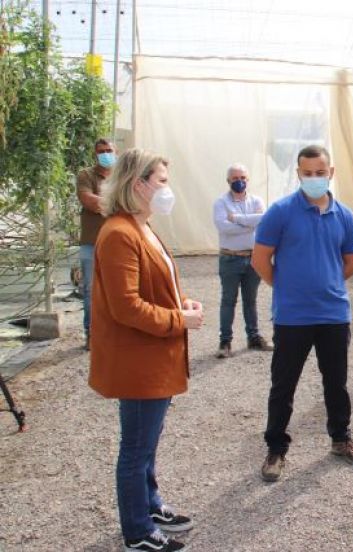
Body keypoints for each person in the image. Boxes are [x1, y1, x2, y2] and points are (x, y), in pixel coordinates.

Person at [89, 148, 204, 552]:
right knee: (136, 448)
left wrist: (183, 302)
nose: (167, 190)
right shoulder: (119, 233)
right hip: (139, 363)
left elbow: (160, 286)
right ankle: (137, 532)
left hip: (155, 359)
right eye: (162, 181)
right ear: (138, 185)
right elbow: (127, 306)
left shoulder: (141, 226)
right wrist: (179, 321)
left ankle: (150, 505)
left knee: (147, 443)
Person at [253, 145, 353, 483]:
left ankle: (341, 438)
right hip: (292, 317)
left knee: (337, 383)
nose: (314, 178)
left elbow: (351, 263)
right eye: (308, 173)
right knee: (283, 386)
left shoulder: (344, 215)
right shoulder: (280, 212)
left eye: (321, 172)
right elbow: (260, 260)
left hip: (333, 314)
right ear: (298, 174)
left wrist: (326, 285)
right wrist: (287, 287)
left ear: (331, 173)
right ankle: (276, 448)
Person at [212, 163, 272, 358]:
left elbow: (263, 220)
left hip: (252, 258)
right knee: (228, 300)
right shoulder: (220, 203)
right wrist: (250, 223)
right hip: (230, 257)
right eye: (235, 178)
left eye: (243, 178)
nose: (239, 182)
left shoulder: (256, 200)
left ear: (248, 180)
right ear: (228, 181)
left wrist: (236, 218)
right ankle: (225, 341)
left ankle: (253, 337)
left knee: (251, 300)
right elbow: (224, 227)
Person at [76, 138, 117, 351]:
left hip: (118, 244)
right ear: (95, 154)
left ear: (116, 151)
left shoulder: (122, 176)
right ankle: (91, 334)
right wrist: (117, 203)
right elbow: (88, 200)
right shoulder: (86, 175)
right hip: (92, 243)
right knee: (91, 291)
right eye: (102, 151)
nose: (106, 154)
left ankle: (115, 332)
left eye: (109, 150)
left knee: (119, 289)